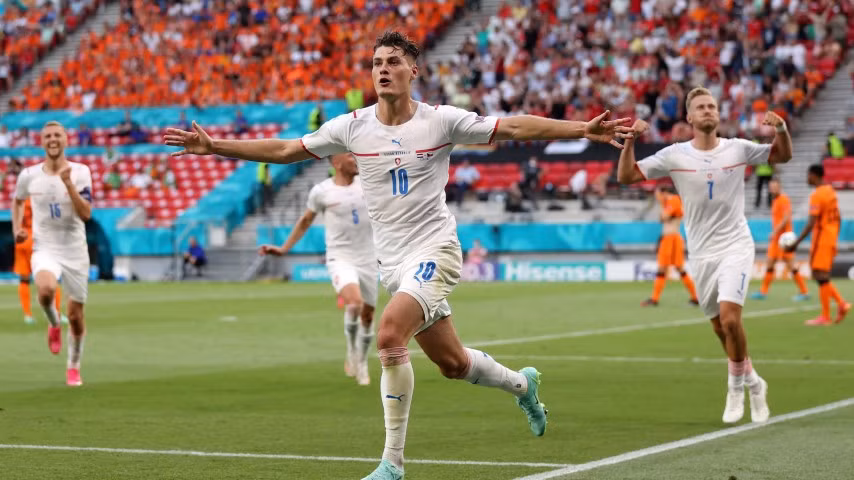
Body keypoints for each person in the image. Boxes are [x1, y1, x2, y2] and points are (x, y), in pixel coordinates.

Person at [165, 30, 630, 480]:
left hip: (435, 250)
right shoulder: (352, 127)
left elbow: (510, 126)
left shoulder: (441, 120)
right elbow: (287, 149)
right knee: (453, 365)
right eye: (376, 63)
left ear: (413, 70)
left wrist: (580, 129)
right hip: (392, 264)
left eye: (392, 62)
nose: (382, 70)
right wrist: (214, 146)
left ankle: (392, 464)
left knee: (389, 335)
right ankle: (524, 386)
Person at [617, 87, 793, 425]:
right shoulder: (675, 155)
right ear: (689, 117)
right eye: (701, 107)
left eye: (712, 105)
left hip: (736, 246)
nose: (709, 110)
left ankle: (735, 387)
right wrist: (629, 141)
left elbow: (781, 157)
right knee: (719, 328)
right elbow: (626, 176)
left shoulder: (738, 148)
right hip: (700, 253)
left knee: (730, 319)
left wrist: (781, 130)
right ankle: (755, 381)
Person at [259, 153, 377, 386]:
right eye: (350, 156)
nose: (355, 160)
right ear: (336, 162)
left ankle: (362, 361)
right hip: (340, 257)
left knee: (369, 315)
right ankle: (352, 352)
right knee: (354, 303)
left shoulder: (369, 183)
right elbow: (305, 221)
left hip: (368, 258)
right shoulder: (321, 191)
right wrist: (284, 249)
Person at [13, 121, 93, 387]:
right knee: (46, 292)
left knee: (76, 316)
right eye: (47, 136)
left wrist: (69, 184)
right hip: (44, 246)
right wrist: (17, 229)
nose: (53, 139)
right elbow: (17, 200)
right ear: (41, 141)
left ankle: (73, 365)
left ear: (66, 140)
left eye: (57, 135)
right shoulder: (29, 175)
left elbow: (86, 214)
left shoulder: (81, 172)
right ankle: (53, 324)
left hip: (74, 250)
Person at [784, 165, 850, 325]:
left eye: (808, 175)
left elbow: (811, 223)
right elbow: (839, 217)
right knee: (821, 275)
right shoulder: (831, 191)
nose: (807, 179)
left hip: (821, 239)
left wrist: (795, 244)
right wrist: (834, 237)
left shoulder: (817, 195)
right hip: (830, 238)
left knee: (819, 275)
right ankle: (841, 304)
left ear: (814, 176)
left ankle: (826, 315)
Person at [751, 178, 810, 301]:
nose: (772, 189)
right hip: (776, 240)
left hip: (784, 240)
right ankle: (763, 291)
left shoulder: (784, 199)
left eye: (774, 186)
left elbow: (786, 218)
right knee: (770, 263)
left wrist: (775, 231)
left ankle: (804, 292)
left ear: (779, 187)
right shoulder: (775, 200)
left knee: (791, 265)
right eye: (771, 187)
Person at [641, 186, 699, 307]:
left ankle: (694, 297)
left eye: (657, 193)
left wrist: (662, 203)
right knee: (672, 268)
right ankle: (694, 297)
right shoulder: (668, 202)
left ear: (664, 192)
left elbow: (664, 217)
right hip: (670, 238)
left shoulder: (673, 200)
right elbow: (662, 219)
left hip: (671, 238)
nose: (656, 196)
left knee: (671, 268)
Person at [13, 197, 66, 325]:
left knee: (24, 279)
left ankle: (27, 314)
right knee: (50, 277)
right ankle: (56, 312)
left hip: (22, 240)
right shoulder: (41, 196)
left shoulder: (20, 198)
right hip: (39, 241)